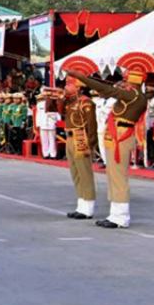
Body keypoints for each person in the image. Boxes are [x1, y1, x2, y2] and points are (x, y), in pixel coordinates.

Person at [65, 69, 149, 228]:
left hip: (121, 135)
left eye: (126, 80)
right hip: (115, 133)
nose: (123, 83)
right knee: (112, 174)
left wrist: (82, 77)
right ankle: (115, 213)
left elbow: (107, 89)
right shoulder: (132, 96)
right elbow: (108, 92)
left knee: (118, 176)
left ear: (134, 82)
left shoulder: (135, 96)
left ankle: (121, 216)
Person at [57, 82, 98, 219]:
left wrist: (91, 143)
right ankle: (81, 204)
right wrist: (58, 98)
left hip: (81, 137)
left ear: (78, 87)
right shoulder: (69, 101)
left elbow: (92, 124)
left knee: (84, 172)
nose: (65, 87)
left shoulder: (86, 102)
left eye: (69, 85)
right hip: (69, 137)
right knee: (75, 172)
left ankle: (89, 206)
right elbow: (55, 110)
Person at [37, 88, 61, 159]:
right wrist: (38, 124)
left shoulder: (54, 103)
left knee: (52, 139)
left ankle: (53, 154)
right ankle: (45, 154)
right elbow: (38, 114)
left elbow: (57, 114)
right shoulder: (40, 104)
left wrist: (56, 120)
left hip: (51, 123)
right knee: (44, 139)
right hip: (43, 123)